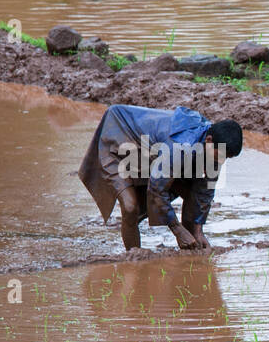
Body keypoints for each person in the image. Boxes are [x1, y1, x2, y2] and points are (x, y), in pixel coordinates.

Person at [78, 104, 243, 251]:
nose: (222, 160)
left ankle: (191, 248)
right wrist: (177, 230)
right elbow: (157, 189)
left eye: (227, 158)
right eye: (222, 155)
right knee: (130, 207)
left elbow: (205, 191)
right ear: (208, 140)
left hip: (150, 152)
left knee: (193, 193)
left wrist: (198, 231)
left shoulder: (217, 150)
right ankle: (135, 258)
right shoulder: (180, 147)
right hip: (119, 136)